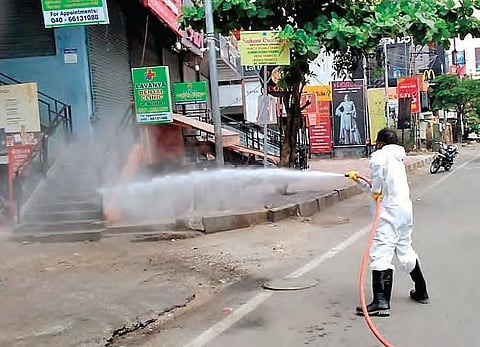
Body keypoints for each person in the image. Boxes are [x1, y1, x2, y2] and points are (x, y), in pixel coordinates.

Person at [346, 128, 429, 317]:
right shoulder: (398, 159)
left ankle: (381, 302)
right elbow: (381, 186)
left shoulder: (379, 156)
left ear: (379, 143)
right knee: (405, 249)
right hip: (404, 210)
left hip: (388, 212)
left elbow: (377, 187)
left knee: (380, 252)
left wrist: (373, 188)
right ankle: (421, 290)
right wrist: (358, 180)